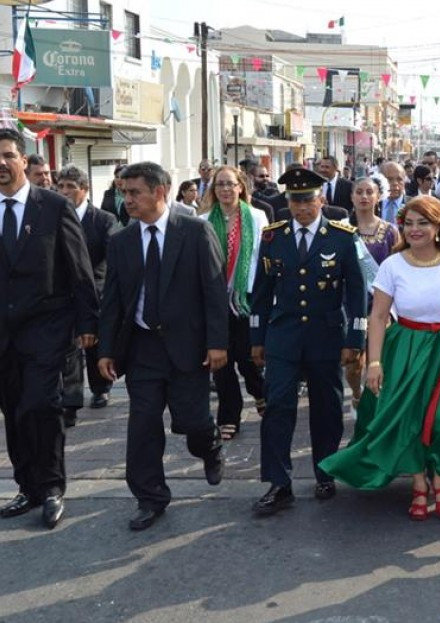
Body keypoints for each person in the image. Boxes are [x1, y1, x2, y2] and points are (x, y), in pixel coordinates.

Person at [0, 128, 98, 530]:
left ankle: (51, 489)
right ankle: (27, 486)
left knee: (42, 407)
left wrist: (88, 324)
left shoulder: (53, 207)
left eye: (8, 155)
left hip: (48, 329)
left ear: (24, 161)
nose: (0, 163)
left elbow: (79, 270)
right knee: (14, 412)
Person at [319, 195, 440, 520]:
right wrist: (374, 362)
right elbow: (379, 316)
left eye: (422, 223)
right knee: (410, 420)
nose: (414, 230)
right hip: (406, 350)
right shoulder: (392, 265)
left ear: (439, 226)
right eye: (409, 223)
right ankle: (419, 484)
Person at [96, 161, 228, 531]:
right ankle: (150, 496)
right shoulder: (121, 240)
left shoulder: (195, 233)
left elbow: (214, 291)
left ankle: (211, 444)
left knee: (192, 422)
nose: (127, 201)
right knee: (143, 424)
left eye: (134, 192)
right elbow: (113, 301)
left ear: (160, 191)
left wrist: (217, 343)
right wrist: (106, 349)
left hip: (188, 347)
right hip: (141, 349)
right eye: (124, 193)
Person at [249, 167, 366, 514]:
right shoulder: (273, 237)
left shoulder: (343, 237)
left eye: (307, 200)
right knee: (277, 406)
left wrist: (354, 338)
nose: (301, 208)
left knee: (327, 409)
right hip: (283, 335)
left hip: (326, 336)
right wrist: (257, 337)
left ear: (322, 200)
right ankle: (279, 482)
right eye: (294, 201)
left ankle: (325, 472)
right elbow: (260, 292)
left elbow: (357, 293)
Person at [198, 166, 270, 440]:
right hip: (215, 301)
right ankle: (229, 415)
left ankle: (260, 392)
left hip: (246, 298)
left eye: (230, 184)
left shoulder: (256, 217)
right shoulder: (203, 221)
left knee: (247, 355)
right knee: (221, 360)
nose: (225, 190)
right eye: (220, 185)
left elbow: (264, 258)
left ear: (241, 187)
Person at [55, 165, 121, 419]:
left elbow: (113, 260)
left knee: (94, 342)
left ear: (84, 189)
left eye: (70, 187)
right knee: (68, 347)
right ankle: (70, 400)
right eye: (60, 186)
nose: (64, 192)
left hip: (95, 293)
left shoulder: (103, 220)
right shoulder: (53, 216)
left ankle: (100, 387)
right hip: (64, 294)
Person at [344, 176, 400, 411]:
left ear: (378, 197)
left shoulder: (390, 231)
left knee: (380, 358)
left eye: (370, 192)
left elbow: (398, 267)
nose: (364, 196)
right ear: (352, 197)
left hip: (381, 304)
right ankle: (356, 393)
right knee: (353, 361)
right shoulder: (341, 230)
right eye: (359, 192)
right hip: (348, 304)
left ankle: (376, 401)